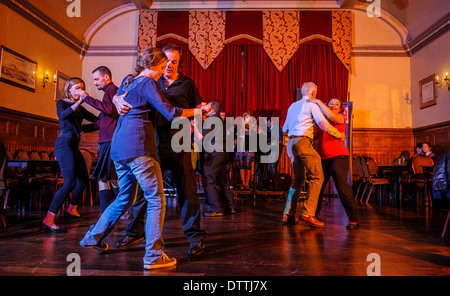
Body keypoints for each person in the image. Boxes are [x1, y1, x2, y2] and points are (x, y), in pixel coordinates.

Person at [80, 47, 208, 270]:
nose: (163, 71)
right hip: (139, 146)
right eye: (162, 67)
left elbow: (118, 96)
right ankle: (153, 256)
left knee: (125, 198)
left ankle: (93, 236)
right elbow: (170, 112)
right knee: (156, 199)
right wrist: (196, 112)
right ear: (155, 66)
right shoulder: (148, 82)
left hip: (119, 148)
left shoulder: (130, 81)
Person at [281, 82, 345, 228]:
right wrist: (338, 135)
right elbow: (323, 124)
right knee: (317, 176)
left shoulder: (292, 106)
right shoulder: (312, 104)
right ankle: (308, 213)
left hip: (291, 143)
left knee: (298, 180)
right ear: (314, 93)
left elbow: (285, 128)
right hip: (303, 141)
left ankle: (288, 214)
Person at [40, 77, 98, 233]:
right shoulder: (62, 103)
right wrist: (79, 102)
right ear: (69, 89)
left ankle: (72, 209)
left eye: (82, 88)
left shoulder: (81, 108)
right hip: (63, 144)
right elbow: (62, 116)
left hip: (74, 145)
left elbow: (96, 119)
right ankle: (48, 220)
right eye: (77, 88)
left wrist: (111, 113)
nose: (80, 91)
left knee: (83, 179)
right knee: (70, 182)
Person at [308, 97, 359, 230]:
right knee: (318, 186)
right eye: (331, 103)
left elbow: (331, 115)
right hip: (325, 158)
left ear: (340, 108)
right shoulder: (323, 120)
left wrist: (318, 102)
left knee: (342, 188)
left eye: (336, 104)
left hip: (339, 156)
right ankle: (314, 214)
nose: (333, 105)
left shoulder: (341, 117)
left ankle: (354, 220)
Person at [75, 66, 119, 213]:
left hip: (109, 142)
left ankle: (106, 214)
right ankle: (123, 211)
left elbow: (108, 109)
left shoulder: (111, 90)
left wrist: (86, 97)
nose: (94, 83)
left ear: (106, 77)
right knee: (111, 178)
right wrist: (82, 128)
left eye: (96, 79)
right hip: (109, 141)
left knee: (102, 177)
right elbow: (101, 121)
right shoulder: (109, 92)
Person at [196, 100, 235, 216]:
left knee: (208, 178)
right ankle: (230, 206)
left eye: (208, 107)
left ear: (212, 109)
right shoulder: (220, 120)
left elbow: (200, 137)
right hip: (224, 153)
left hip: (216, 153)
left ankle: (216, 209)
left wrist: (195, 125)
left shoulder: (212, 120)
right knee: (223, 180)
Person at [235, 111, 256, 189]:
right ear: (244, 118)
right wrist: (239, 134)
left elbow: (256, 136)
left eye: (249, 117)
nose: (248, 118)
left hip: (249, 147)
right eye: (247, 117)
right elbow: (233, 134)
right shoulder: (239, 126)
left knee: (248, 165)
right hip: (241, 148)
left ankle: (247, 183)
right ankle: (243, 183)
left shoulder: (252, 126)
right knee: (241, 165)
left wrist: (252, 132)